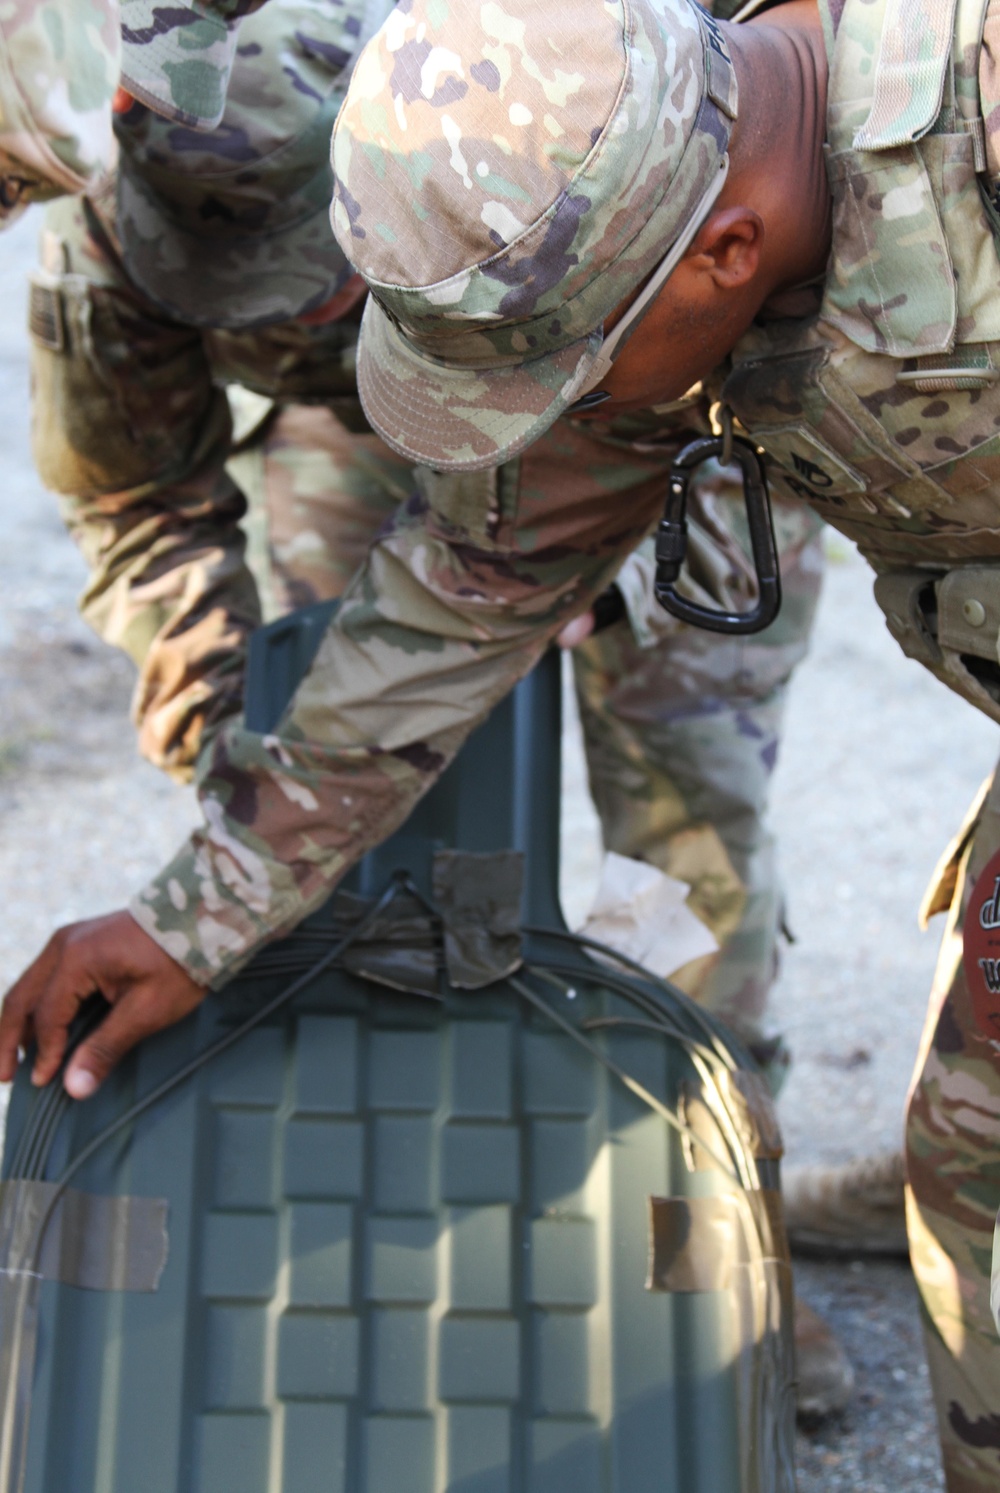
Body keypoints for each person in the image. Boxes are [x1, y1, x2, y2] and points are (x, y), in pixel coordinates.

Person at [313, 0, 1000, 1485]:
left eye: (566, 366)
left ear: (727, 256)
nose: (563, 416)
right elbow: (474, 585)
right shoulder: (647, 149)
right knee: (976, 1144)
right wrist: (192, 916)